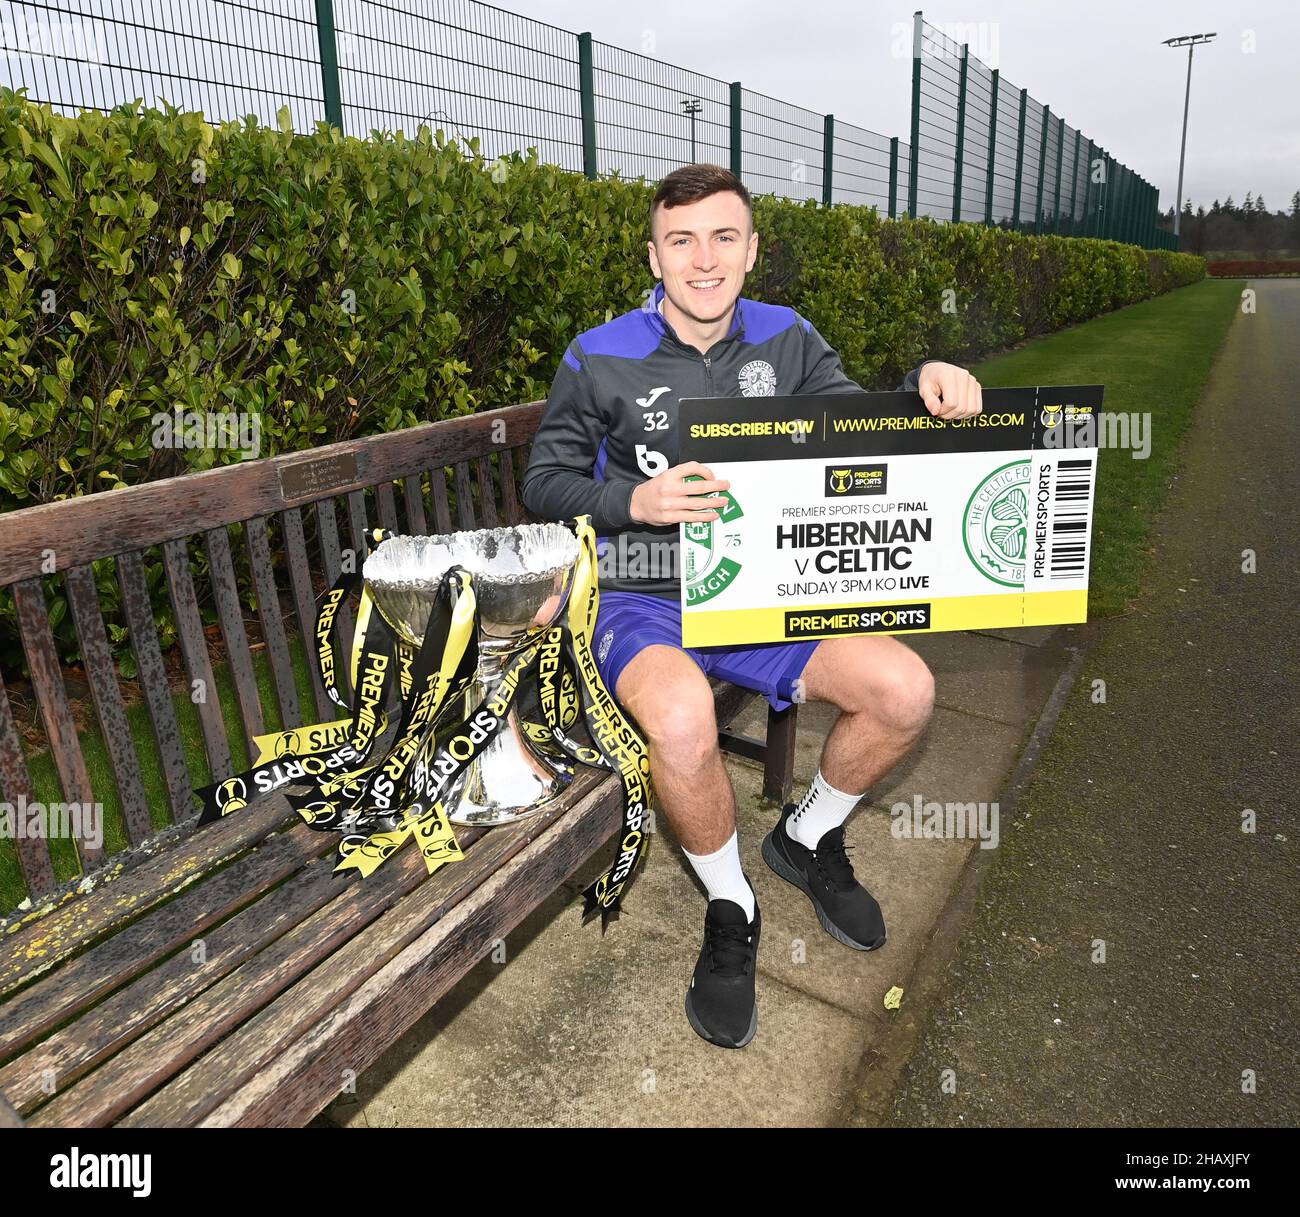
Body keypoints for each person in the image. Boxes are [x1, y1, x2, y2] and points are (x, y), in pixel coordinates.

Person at [522, 163, 983, 1049]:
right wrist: (634, 504)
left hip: (766, 590)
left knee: (904, 690)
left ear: (752, 249)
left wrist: (930, 381)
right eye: (682, 240)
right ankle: (732, 903)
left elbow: (856, 433)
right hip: (644, 594)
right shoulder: (597, 352)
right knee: (686, 723)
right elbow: (544, 482)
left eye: (723, 237)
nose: (704, 259)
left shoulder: (790, 337)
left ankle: (806, 838)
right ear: (653, 256)